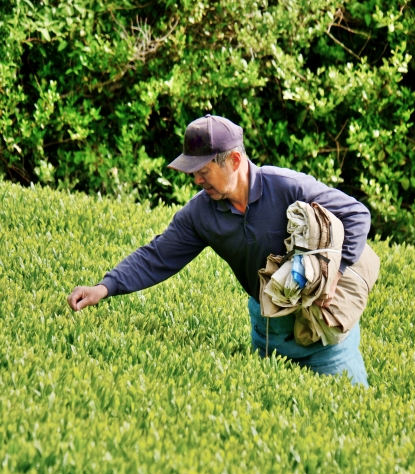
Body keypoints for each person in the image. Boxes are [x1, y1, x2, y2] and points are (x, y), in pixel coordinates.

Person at [67, 114, 371, 386]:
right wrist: (104, 288)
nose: (197, 180)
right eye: (193, 172)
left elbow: (357, 215)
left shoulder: (287, 186)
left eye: (203, 170)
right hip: (269, 331)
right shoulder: (201, 213)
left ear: (235, 161)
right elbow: (157, 255)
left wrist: (335, 273)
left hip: (324, 336)